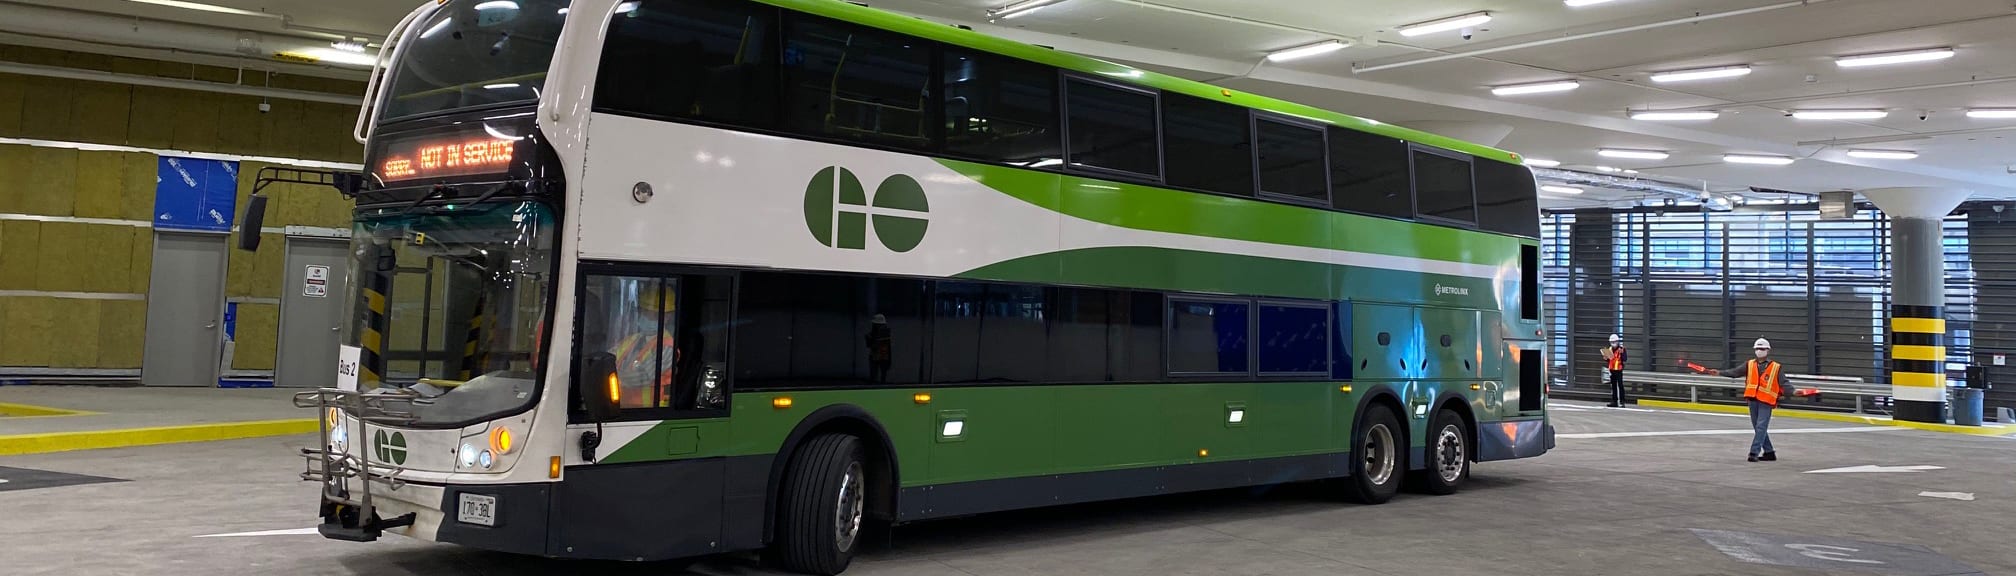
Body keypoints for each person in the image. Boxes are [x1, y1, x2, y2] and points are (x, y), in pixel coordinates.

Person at [1696, 338, 1782, 462]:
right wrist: (1719, 373)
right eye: (1757, 348)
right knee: (1758, 427)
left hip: (1766, 401)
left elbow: (1784, 383)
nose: (1759, 351)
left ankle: (1754, 452)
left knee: (1761, 427)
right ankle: (1769, 452)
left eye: (1762, 349)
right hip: (1753, 400)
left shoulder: (1775, 367)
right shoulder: (1749, 364)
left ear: (1768, 350)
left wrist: (1794, 391)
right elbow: (1735, 372)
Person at [1602, 334, 1629, 407]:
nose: (1613, 343)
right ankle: (1614, 401)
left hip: (1619, 370)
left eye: (1614, 341)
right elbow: (1609, 360)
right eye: (1612, 342)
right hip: (1612, 370)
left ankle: (1622, 402)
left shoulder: (1622, 349)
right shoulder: (1610, 349)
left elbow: (1625, 359)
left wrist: (1622, 353)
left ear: (1617, 341)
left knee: (1620, 386)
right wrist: (1605, 357)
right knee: (1613, 386)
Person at [864, 314, 892, 383]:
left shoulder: (886, 334)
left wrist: (889, 360)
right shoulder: (872, 334)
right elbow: (869, 345)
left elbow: (888, 347)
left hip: (883, 357)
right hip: (875, 357)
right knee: (874, 376)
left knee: (882, 377)